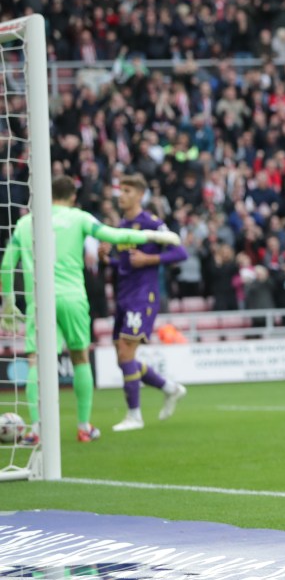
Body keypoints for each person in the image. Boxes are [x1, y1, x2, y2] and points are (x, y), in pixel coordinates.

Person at [0, 176, 181, 443]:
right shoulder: (80, 218)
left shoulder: (26, 222)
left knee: (36, 361)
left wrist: (8, 301)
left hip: (39, 300)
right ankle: (84, 427)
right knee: (80, 358)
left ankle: (35, 430)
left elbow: (6, 264)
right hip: (72, 297)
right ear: (73, 197)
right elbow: (114, 235)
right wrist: (154, 235)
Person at [108, 174, 188, 432]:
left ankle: (134, 416)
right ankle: (170, 388)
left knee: (126, 353)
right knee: (123, 358)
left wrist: (149, 260)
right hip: (123, 296)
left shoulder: (151, 224)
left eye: (127, 191)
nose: (122, 195)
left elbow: (180, 251)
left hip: (143, 296)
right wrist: (105, 259)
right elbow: (125, 263)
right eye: (121, 190)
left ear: (140, 195)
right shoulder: (122, 226)